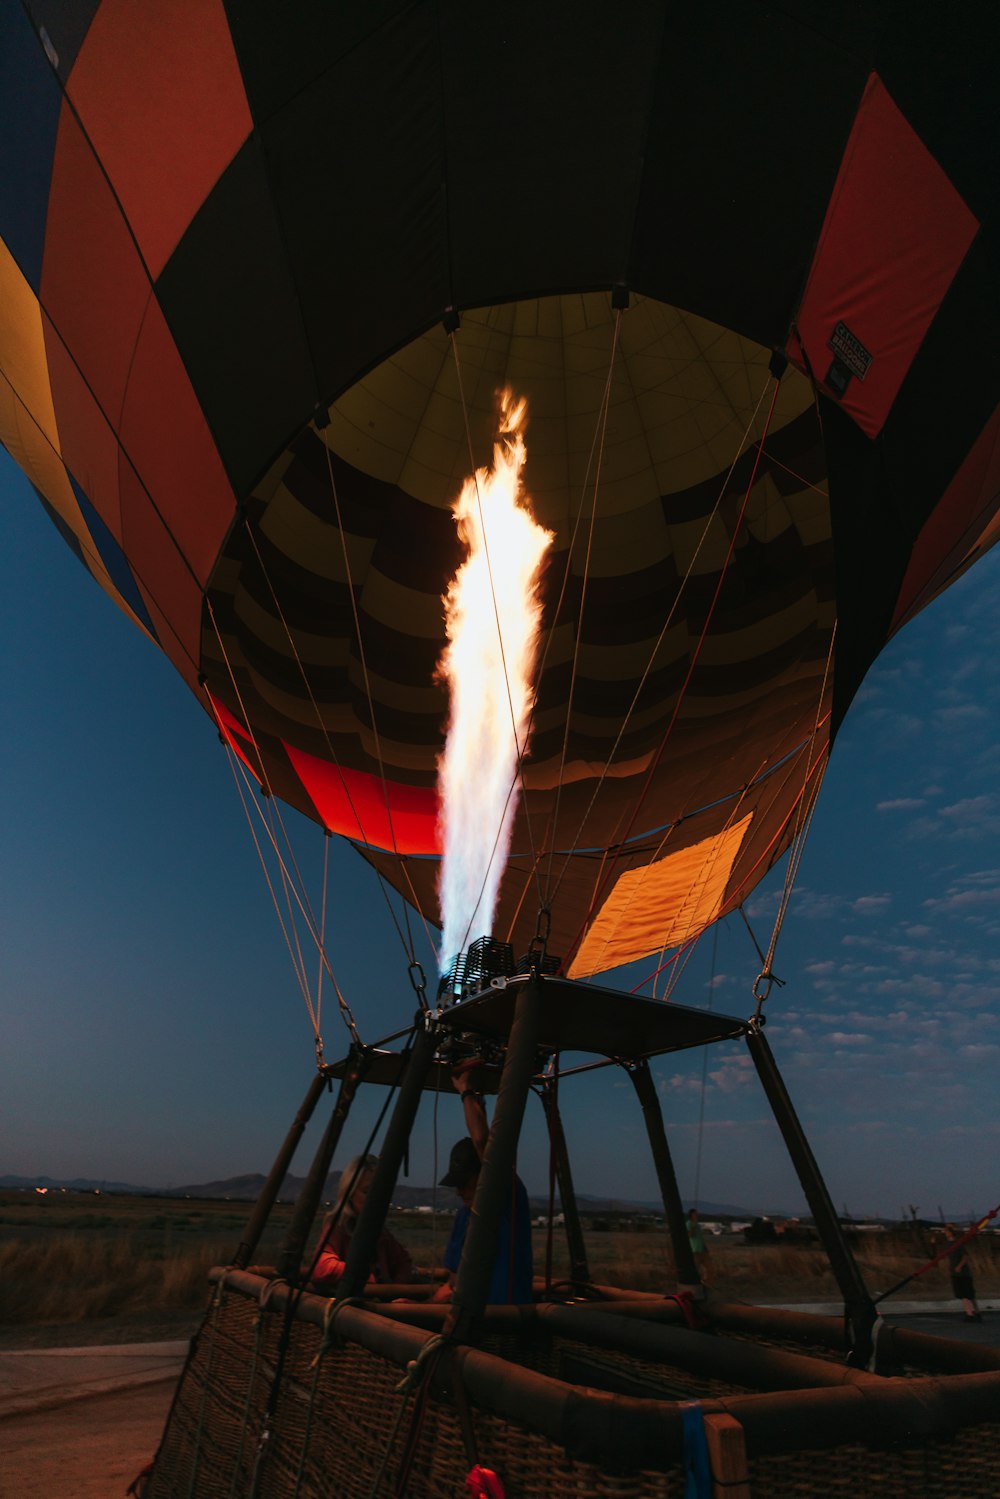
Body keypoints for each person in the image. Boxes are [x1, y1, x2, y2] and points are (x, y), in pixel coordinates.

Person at [432, 1061, 533, 1304]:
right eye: (457, 1185)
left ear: (485, 1175)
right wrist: (416, 1310)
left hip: (506, 1320)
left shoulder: (507, 1197)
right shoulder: (464, 1216)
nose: (460, 1192)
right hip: (471, 1323)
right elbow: (454, 1283)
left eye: (466, 1183)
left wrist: (465, 1091)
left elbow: (483, 1142)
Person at [310, 1153, 417, 1292]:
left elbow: (403, 1262)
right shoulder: (339, 1225)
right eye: (367, 1192)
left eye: (380, 1192)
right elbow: (321, 1267)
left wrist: (396, 1290)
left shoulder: (379, 1230)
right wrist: (363, 1275)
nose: (375, 1199)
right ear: (350, 1192)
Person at [943, 1222, 982, 1322]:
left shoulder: (958, 1244)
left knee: (966, 1294)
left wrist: (959, 1266)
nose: (945, 1232)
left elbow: (965, 1257)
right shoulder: (947, 1244)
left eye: (946, 1231)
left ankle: (970, 1314)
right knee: (966, 1294)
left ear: (951, 1232)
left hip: (962, 1273)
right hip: (954, 1271)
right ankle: (975, 1312)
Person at [686, 1207, 713, 1286]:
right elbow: (690, 1235)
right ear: (691, 1215)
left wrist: (705, 1247)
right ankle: (696, 1284)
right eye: (695, 1213)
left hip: (702, 1250)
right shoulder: (689, 1223)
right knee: (696, 1268)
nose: (697, 1215)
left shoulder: (697, 1225)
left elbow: (700, 1237)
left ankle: (707, 1283)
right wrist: (693, 1226)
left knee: (709, 1268)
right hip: (694, 1250)